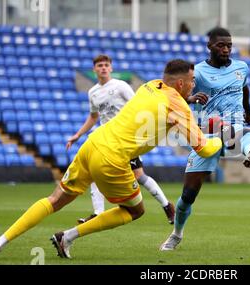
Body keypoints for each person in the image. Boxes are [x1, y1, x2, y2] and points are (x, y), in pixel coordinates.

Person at [0, 59, 223, 259]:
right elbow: (203, 149)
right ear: (180, 84)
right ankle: (68, 236)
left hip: (93, 144)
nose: (193, 85)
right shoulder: (178, 106)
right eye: (191, 81)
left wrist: (185, 103)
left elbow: (162, 104)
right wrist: (221, 136)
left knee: (55, 199)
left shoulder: (151, 84)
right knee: (135, 210)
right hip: (112, 158)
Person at [160, 27, 250, 251]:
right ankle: (176, 234)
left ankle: (249, 150)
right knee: (188, 194)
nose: (226, 49)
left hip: (233, 124)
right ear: (209, 46)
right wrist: (190, 98)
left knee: (242, 133)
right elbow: (173, 95)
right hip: (206, 133)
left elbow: (244, 88)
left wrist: (248, 111)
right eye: (221, 45)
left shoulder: (241, 67)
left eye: (229, 45)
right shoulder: (197, 72)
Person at [66, 54, 175, 225]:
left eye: (106, 65)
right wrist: (77, 135)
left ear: (111, 68)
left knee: (139, 175)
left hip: (125, 138)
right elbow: (93, 117)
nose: (103, 67)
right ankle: (97, 214)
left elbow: (138, 105)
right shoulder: (92, 92)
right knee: (93, 173)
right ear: (94, 69)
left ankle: (167, 205)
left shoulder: (120, 86)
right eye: (99, 65)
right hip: (106, 140)